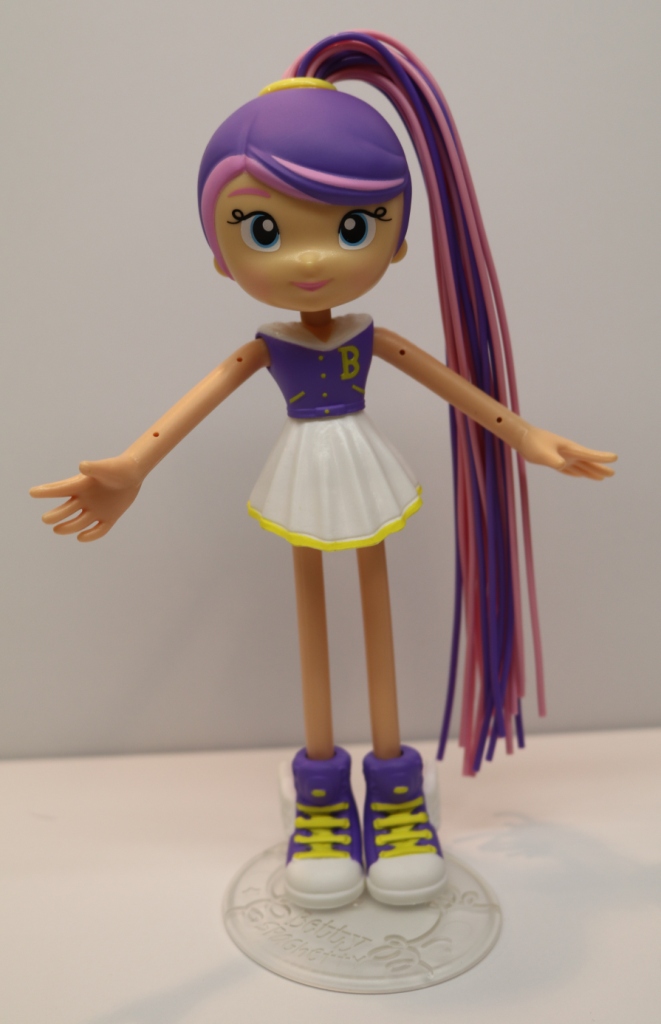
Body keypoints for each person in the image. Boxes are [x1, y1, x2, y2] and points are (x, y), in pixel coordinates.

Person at [30, 33, 616, 910]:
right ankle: (318, 794)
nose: (309, 259)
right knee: (312, 623)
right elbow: (194, 404)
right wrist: (133, 464)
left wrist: (525, 437)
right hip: (304, 467)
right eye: (263, 230)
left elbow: (454, 387)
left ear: (398, 239)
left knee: (374, 617)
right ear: (221, 252)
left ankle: (394, 786)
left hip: (359, 467)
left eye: (352, 227)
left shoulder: (372, 338)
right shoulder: (265, 347)